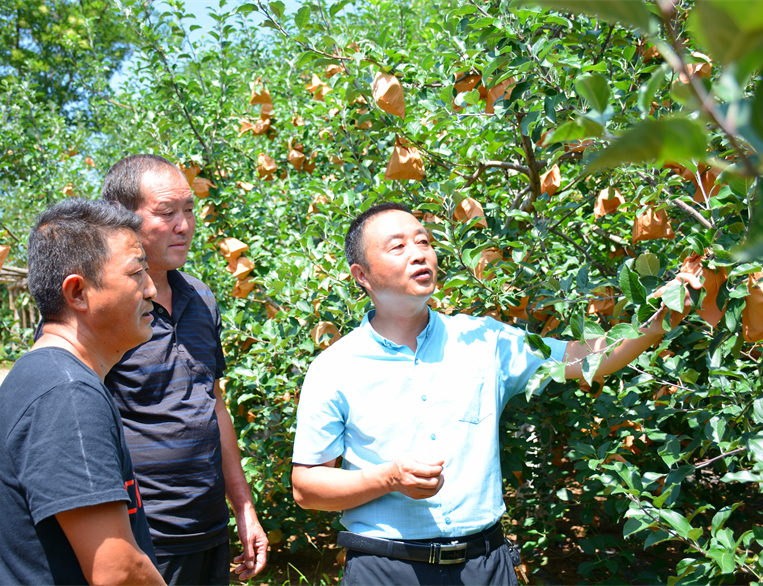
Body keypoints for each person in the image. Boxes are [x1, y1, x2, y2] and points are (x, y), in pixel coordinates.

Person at [291, 202, 700, 586]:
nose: (418, 254)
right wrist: (388, 477)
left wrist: (659, 321)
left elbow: (581, 358)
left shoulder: (484, 339)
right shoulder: (335, 367)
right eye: (398, 246)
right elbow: (307, 488)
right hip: (386, 567)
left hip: (484, 565)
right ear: (361, 275)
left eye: (424, 242)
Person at [0, 198, 166, 586]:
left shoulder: (46, 376)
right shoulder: (66, 394)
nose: (151, 289)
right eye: (136, 273)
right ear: (78, 293)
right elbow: (118, 570)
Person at [100, 154, 267, 585]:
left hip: (208, 528)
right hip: (139, 535)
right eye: (167, 213)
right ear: (123, 218)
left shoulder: (201, 298)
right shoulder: (103, 307)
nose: (184, 225)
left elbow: (215, 407)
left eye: (189, 210)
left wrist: (243, 509)